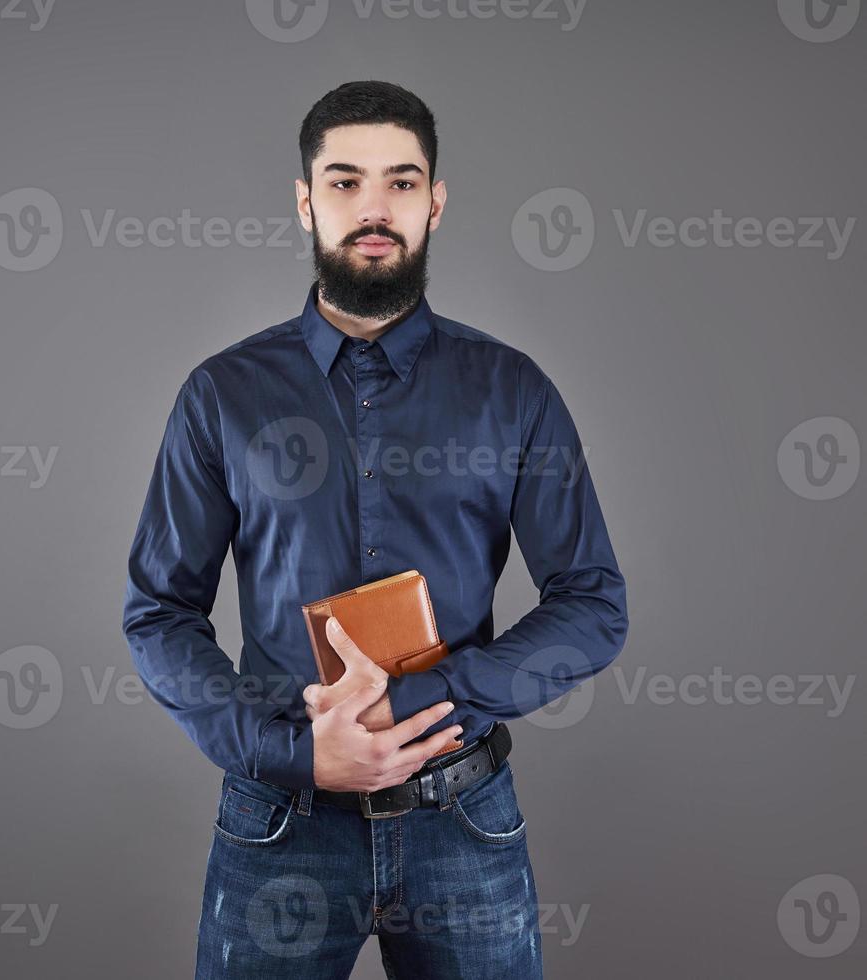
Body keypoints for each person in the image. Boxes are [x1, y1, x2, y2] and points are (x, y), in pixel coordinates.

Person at [122, 79, 628, 980]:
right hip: (279, 823)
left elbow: (593, 605)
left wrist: (419, 704)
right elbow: (159, 614)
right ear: (305, 200)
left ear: (435, 203)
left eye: (401, 182)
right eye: (346, 181)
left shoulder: (513, 390)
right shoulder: (221, 396)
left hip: (462, 823)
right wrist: (292, 752)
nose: (373, 209)